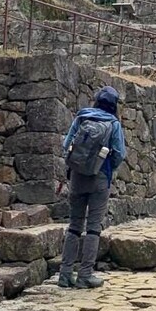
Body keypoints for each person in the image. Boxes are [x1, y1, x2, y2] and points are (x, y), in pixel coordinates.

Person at [58, 85, 125, 289]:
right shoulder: (113, 124)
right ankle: (85, 274)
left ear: (96, 100)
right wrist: (106, 168)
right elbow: (120, 154)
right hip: (100, 178)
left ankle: (65, 273)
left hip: (77, 178)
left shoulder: (81, 117)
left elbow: (67, 144)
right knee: (93, 228)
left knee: (74, 226)